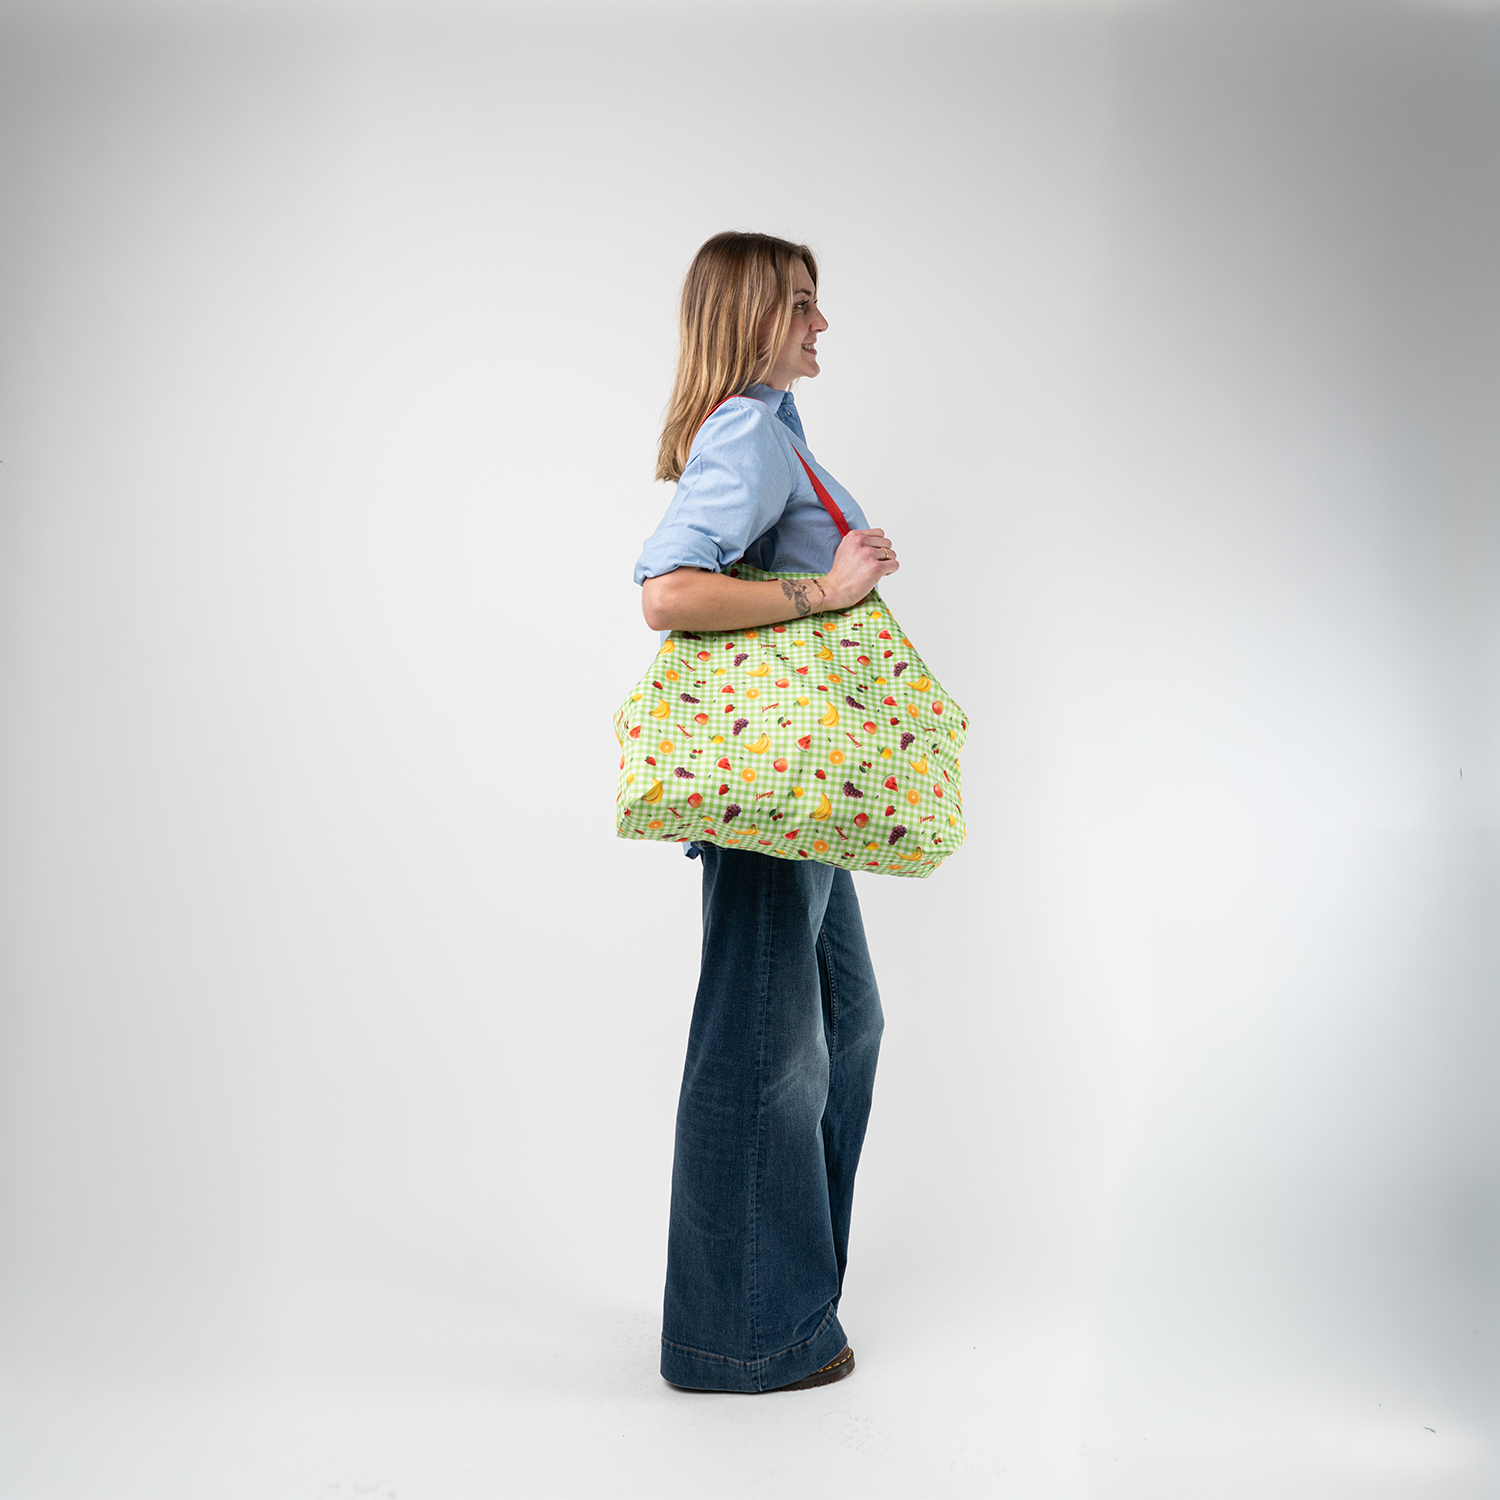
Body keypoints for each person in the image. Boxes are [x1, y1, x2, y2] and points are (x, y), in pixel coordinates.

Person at [635, 231, 901, 1393]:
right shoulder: (747, 428)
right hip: (771, 792)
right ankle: (738, 1333)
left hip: (802, 792)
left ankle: (782, 1298)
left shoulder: (771, 430)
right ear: (752, 315)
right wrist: (824, 586)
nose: (820, 323)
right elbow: (668, 591)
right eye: (801, 303)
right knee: (762, 1052)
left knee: (843, 1027)